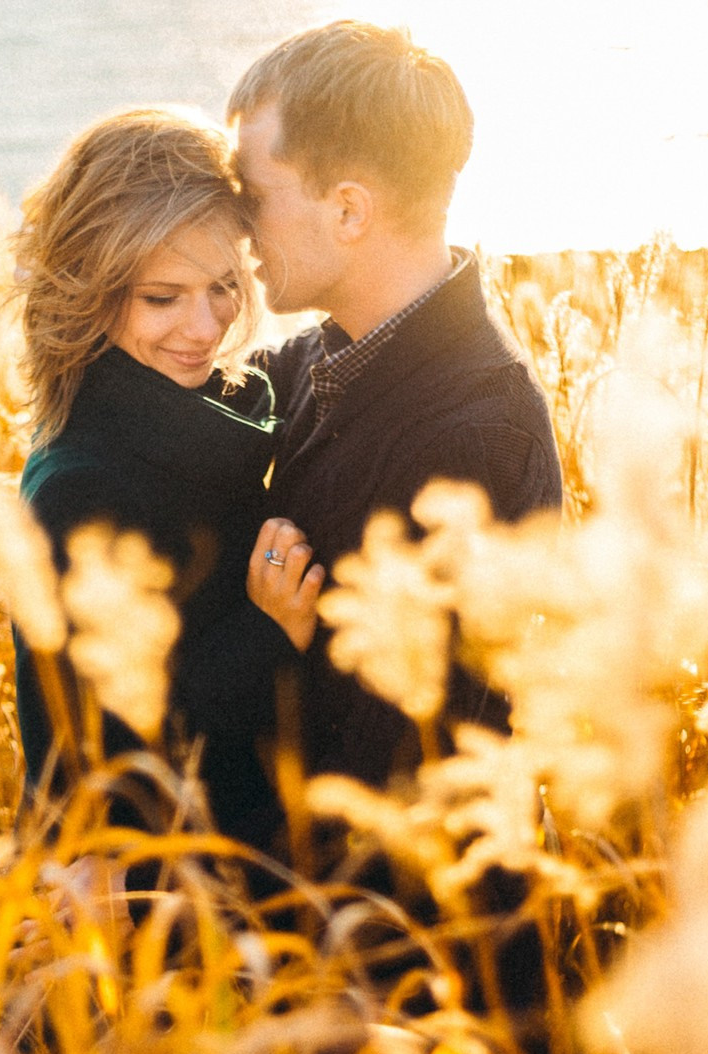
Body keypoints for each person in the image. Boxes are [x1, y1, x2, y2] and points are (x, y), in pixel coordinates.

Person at [229, 21, 565, 797]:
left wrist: (263, 641)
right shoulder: (331, 354)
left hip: (397, 906)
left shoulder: (475, 439)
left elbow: (393, 774)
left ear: (349, 211)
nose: (237, 230)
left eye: (253, 199)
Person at [9, 107, 316, 846]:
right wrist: (273, 635)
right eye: (162, 298)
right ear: (91, 291)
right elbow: (104, 744)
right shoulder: (83, 484)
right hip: (148, 896)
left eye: (222, 286)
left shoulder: (199, 410)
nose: (205, 329)